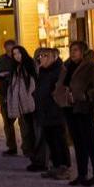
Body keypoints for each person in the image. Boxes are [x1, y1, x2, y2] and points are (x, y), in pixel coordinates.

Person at [65, 41, 94, 187]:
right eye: (71, 50)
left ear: (83, 52)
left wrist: (87, 96)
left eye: (76, 50)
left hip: (86, 108)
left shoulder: (93, 67)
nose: (73, 53)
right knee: (78, 143)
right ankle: (82, 174)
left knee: (90, 142)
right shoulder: (68, 67)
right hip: (71, 109)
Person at [30, 47, 72, 179]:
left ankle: (64, 167)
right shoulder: (43, 71)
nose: (42, 58)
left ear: (54, 57)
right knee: (50, 140)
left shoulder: (60, 71)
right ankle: (55, 165)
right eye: (40, 56)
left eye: (45, 56)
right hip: (44, 111)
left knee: (59, 140)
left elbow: (60, 90)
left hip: (56, 111)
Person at [0, 42, 37, 159]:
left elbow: (31, 85)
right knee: (11, 124)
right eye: (14, 54)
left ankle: (29, 149)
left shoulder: (28, 65)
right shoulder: (13, 66)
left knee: (27, 127)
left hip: (28, 102)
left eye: (18, 53)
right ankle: (15, 148)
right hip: (15, 100)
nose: (16, 55)